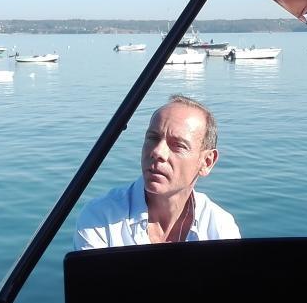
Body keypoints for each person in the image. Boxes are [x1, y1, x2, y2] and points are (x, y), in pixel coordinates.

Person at [73, 95, 240, 249]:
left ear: (207, 162)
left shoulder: (220, 226)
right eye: (152, 138)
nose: (158, 151)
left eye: (178, 145)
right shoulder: (101, 219)